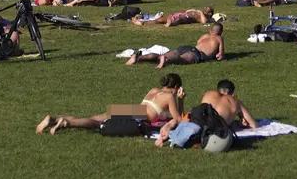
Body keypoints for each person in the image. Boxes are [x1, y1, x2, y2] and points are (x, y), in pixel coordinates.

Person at [38, 73, 185, 135]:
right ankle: (66, 123)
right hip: (139, 117)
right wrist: (180, 100)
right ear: (176, 87)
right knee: (97, 124)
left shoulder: (154, 90)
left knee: (94, 119)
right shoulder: (169, 97)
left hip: (134, 109)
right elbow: (178, 119)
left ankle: (54, 119)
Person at [157, 79, 258, 148]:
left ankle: (165, 131)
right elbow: (253, 125)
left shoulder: (209, 93)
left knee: (181, 122)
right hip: (210, 125)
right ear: (233, 93)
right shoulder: (236, 102)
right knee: (190, 127)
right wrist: (239, 123)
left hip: (195, 118)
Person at [127, 23, 225, 67]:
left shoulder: (204, 35)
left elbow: (198, 43)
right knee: (181, 59)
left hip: (188, 47)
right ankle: (165, 60)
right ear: (220, 32)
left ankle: (138, 58)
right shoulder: (219, 38)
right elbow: (221, 54)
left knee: (165, 55)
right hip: (196, 54)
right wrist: (219, 55)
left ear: (210, 30)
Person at [131, 6, 212, 28]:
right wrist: (193, 10)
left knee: (179, 20)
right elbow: (187, 11)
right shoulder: (199, 12)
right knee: (159, 20)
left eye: (207, 9)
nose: (205, 8)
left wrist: (200, 12)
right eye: (205, 7)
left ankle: (171, 23)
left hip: (186, 18)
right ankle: (141, 22)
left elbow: (204, 22)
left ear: (210, 13)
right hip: (180, 14)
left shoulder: (204, 17)